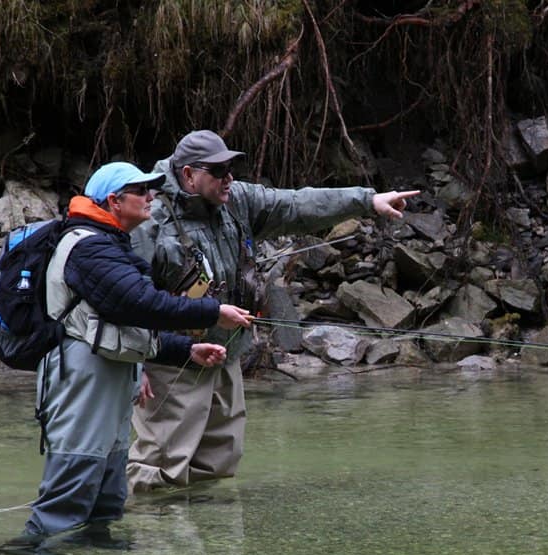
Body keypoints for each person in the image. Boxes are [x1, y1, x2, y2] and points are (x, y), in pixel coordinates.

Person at [127, 129, 418, 493]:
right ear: (189, 175)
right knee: (160, 466)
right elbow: (129, 297)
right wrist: (134, 363)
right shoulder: (149, 218)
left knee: (218, 461)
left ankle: (205, 542)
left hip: (225, 353)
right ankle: (148, 538)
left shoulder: (238, 200)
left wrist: (368, 200)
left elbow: (298, 205)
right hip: (172, 360)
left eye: (232, 168)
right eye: (219, 171)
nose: (229, 178)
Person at [0, 161, 253, 555]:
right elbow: (138, 304)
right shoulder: (88, 246)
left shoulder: (109, 242)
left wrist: (184, 350)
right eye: (142, 191)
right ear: (115, 201)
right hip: (79, 369)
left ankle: (97, 534)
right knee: (79, 455)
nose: (151, 197)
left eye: (151, 190)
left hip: (111, 368)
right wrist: (211, 312)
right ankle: (34, 542)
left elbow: (125, 324)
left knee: (112, 460)